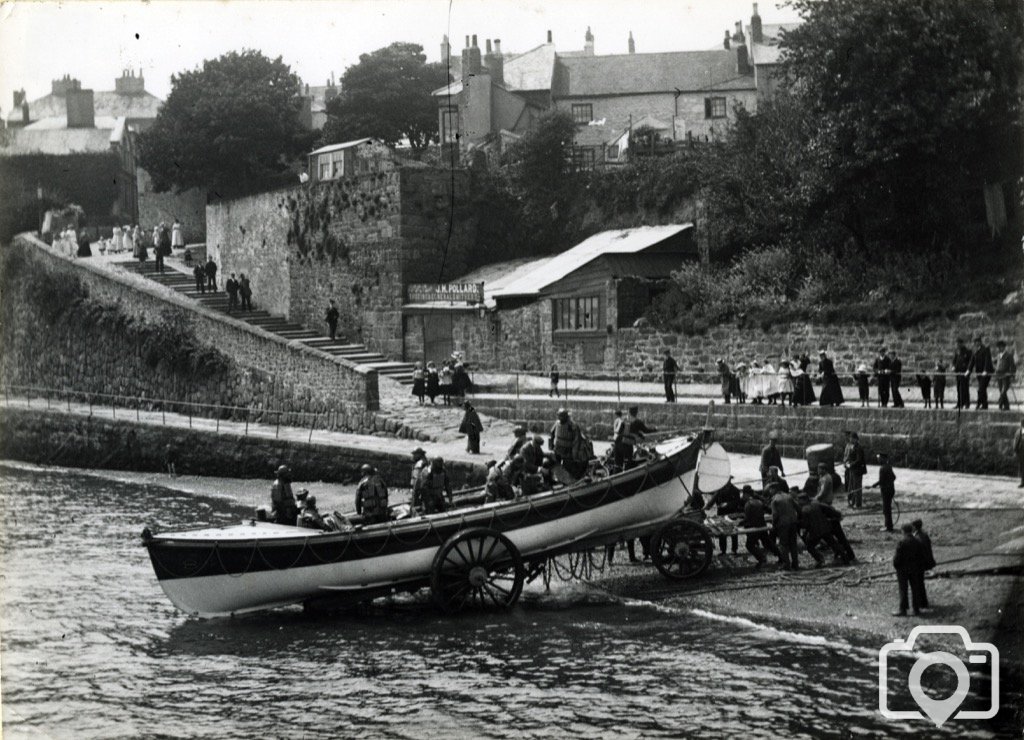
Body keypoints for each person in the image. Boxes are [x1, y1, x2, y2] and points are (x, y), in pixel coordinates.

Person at [741, 486, 782, 567]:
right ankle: (781, 556)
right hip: (762, 525)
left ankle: (762, 559)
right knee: (767, 543)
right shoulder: (758, 501)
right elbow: (768, 509)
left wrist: (740, 523)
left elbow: (748, 518)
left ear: (746, 494)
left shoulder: (748, 504)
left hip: (754, 528)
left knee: (749, 545)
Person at [797, 493, 841, 567]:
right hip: (826, 528)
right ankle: (843, 557)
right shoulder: (816, 504)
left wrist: (799, 524)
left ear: (803, 500)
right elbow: (829, 509)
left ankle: (820, 559)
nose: (798, 502)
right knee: (833, 543)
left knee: (810, 547)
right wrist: (837, 515)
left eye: (799, 500)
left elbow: (806, 524)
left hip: (815, 532)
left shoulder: (804, 510)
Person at [893, 523, 927, 617]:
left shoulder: (902, 542)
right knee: (915, 588)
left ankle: (903, 609)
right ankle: (916, 609)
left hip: (903, 570)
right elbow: (922, 557)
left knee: (903, 589)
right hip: (915, 569)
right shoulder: (917, 542)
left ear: (903, 531)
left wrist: (897, 567)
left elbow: (897, 558)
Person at [704, 479, 742, 554]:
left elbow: (737, 502)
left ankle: (734, 550)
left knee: (733, 532)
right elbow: (713, 500)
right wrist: (707, 506)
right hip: (721, 514)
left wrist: (728, 504)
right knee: (721, 531)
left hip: (732, 514)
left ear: (730, 481)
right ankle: (723, 550)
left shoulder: (735, 490)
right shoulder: (720, 490)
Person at [550, 408, 585, 478]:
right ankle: (557, 478)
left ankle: (569, 479)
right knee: (556, 465)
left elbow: (577, 440)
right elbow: (552, 433)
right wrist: (551, 445)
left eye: (562, 416)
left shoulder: (573, 425)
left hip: (567, 450)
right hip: (558, 448)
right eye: (559, 416)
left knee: (567, 466)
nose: (560, 418)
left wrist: (574, 453)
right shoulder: (557, 423)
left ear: (566, 416)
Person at [771, 486, 800, 570]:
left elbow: (775, 514)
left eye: (770, 489)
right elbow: (797, 508)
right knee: (793, 544)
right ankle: (795, 563)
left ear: (773, 490)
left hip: (783, 524)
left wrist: (773, 524)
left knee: (783, 545)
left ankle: (786, 564)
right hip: (793, 522)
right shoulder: (789, 496)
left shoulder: (774, 500)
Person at [869, 452, 898, 532]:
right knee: (887, 508)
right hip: (891, 490)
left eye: (879, 458)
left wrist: (874, 485)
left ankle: (888, 527)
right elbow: (894, 477)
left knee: (886, 509)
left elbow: (881, 481)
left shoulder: (882, 468)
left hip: (886, 491)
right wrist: (888, 483)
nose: (878, 459)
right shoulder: (889, 466)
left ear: (883, 459)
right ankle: (888, 525)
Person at [911, 519, 935, 609]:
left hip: (919, 563)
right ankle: (923, 602)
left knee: (918, 583)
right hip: (923, 563)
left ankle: (922, 603)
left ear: (915, 527)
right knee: (920, 583)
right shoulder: (923, 535)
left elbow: (920, 552)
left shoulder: (918, 537)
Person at [843, 432, 867, 508]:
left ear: (856, 439)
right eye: (850, 438)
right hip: (852, 470)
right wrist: (846, 463)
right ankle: (851, 502)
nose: (851, 440)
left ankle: (858, 504)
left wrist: (851, 464)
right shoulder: (851, 446)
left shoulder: (859, 448)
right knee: (851, 486)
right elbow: (848, 457)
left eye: (852, 438)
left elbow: (859, 460)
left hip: (858, 470)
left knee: (857, 487)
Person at [969, 337, 994, 410]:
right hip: (979, 373)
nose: (976, 343)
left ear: (980, 342)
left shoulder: (985, 349)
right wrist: (968, 370)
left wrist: (985, 370)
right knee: (983, 389)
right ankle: (985, 405)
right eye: (975, 342)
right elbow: (972, 361)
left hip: (986, 373)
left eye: (977, 342)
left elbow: (987, 360)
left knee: (981, 389)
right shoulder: (975, 350)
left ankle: (979, 403)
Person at [995, 340, 1016, 411]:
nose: (998, 349)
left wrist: (1011, 375)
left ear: (1003, 347)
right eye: (998, 347)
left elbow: (1013, 366)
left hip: (1005, 376)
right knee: (1001, 390)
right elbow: (997, 364)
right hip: (999, 376)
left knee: (1003, 391)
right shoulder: (998, 355)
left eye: (1000, 347)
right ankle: (1006, 406)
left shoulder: (1008, 355)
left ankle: (1000, 402)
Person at [953, 338, 972, 410]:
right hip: (958, 372)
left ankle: (967, 403)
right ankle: (959, 403)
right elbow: (954, 361)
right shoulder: (957, 352)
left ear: (962, 344)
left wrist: (967, 370)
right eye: (956, 343)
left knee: (965, 388)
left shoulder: (967, 352)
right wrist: (953, 366)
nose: (957, 345)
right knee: (958, 388)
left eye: (958, 343)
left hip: (964, 373)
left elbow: (970, 362)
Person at [1014, 419, 1024, 488]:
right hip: (1021, 452)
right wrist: (1015, 450)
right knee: (1022, 467)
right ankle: (1022, 482)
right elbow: (1016, 441)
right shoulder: (1018, 431)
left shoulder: (1019, 431)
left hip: (1021, 451)